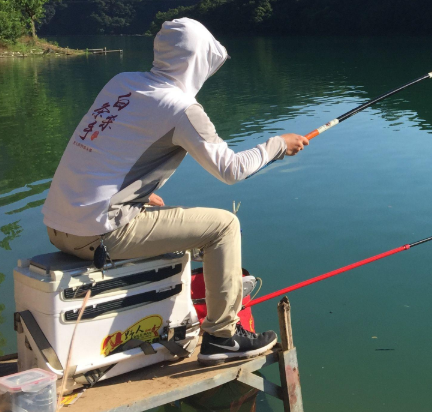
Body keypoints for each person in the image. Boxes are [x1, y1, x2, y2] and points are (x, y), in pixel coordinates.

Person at [42, 18, 309, 364]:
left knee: (174, 216)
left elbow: (106, 151)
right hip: (98, 231)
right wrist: (277, 144)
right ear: (198, 61)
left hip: (58, 225)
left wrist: (133, 192)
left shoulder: (121, 83)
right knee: (223, 226)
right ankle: (222, 336)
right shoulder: (182, 109)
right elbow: (231, 170)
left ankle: (177, 313)